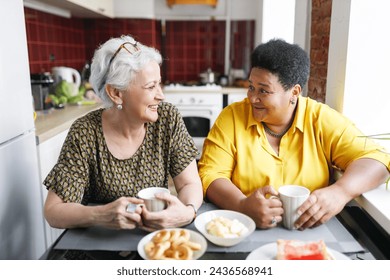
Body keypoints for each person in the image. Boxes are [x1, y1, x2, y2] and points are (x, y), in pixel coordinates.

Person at [198, 38, 390, 230]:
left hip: (310, 233)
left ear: (294, 92)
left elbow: (377, 158)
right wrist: (241, 205)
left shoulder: (320, 119)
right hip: (241, 227)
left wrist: (340, 192)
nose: (252, 98)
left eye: (264, 91)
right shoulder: (231, 117)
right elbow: (211, 174)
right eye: (251, 87)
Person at [43, 35, 203, 233]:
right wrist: (101, 215)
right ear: (116, 93)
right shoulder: (84, 132)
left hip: (151, 238)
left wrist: (188, 212)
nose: (161, 95)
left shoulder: (167, 118)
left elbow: (189, 182)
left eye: (159, 84)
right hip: (98, 240)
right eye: (151, 86)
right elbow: (53, 211)